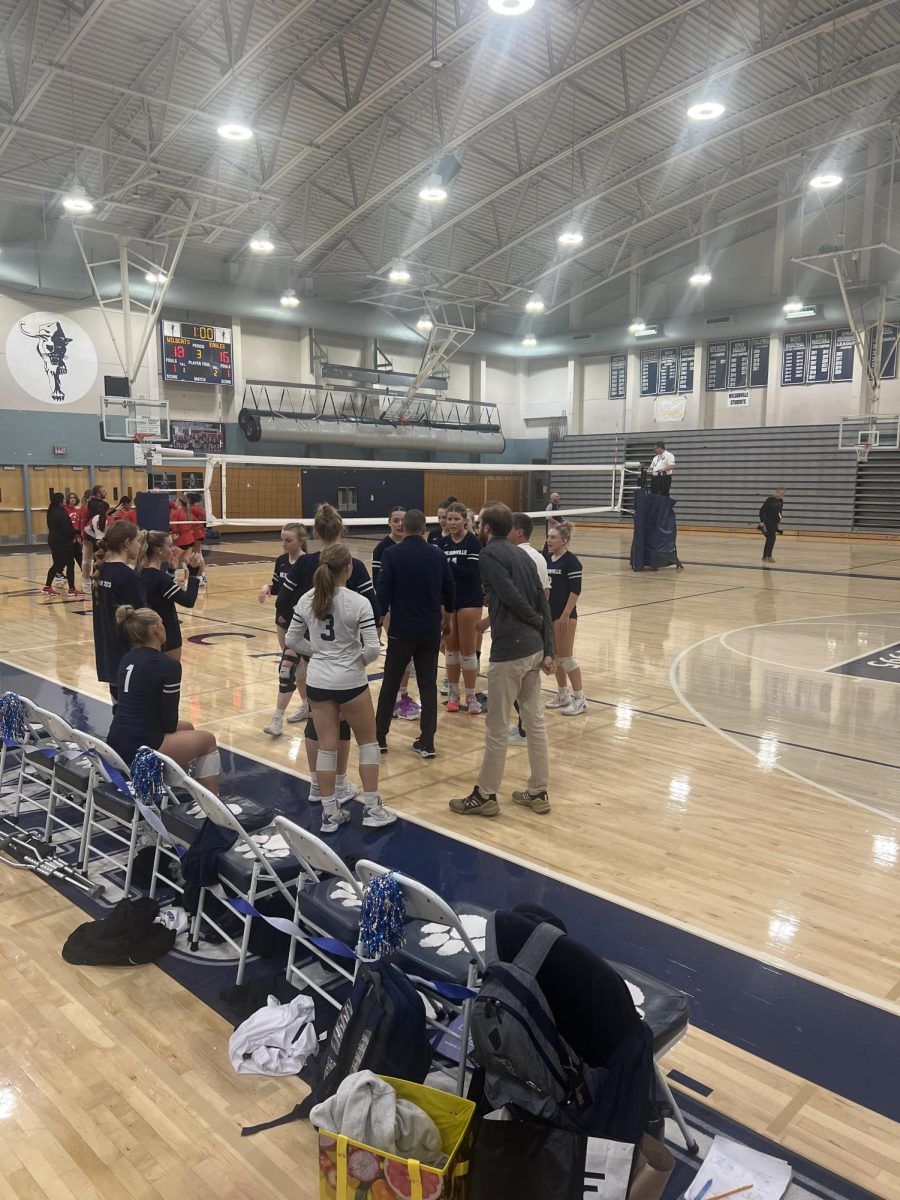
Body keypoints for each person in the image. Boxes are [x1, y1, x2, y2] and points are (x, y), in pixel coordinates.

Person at [449, 502, 554, 819]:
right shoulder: (522, 554)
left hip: (511, 652)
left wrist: (533, 622)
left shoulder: (490, 554)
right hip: (534, 650)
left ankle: (486, 795)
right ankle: (538, 791)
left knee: (497, 727)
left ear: (485, 527)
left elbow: (513, 597)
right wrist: (548, 647)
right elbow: (541, 601)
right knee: (534, 722)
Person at [288, 543, 394, 833]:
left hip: (319, 682)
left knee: (327, 747)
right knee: (368, 743)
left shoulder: (307, 599)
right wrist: (353, 660)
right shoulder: (358, 602)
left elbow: (292, 639)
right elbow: (373, 648)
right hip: (350, 681)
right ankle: (372, 808)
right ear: (348, 568)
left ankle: (330, 814)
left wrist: (319, 653)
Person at [277, 504, 380, 802]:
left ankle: (317, 788)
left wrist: (311, 648)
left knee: (318, 726)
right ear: (342, 530)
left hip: (317, 661)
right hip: (343, 662)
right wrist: (352, 654)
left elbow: (283, 604)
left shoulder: (303, 566)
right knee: (345, 727)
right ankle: (340, 785)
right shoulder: (353, 566)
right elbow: (372, 608)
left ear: (315, 533)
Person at [107, 605, 220, 793]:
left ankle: (172, 790)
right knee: (208, 741)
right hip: (141, 745)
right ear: (155, 629)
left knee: (188, 728)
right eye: (162, 623)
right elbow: (168, 723)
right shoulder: (168, 666)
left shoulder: (127, 658)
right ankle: (213, 807)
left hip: (116, 739)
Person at [375, 509, 455, 759]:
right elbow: (450, 590)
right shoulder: (436, 554)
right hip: (430, 630)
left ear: (405, 527)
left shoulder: (392, 553)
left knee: (390, 684)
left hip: (401, 630)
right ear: (423, 529)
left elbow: (383, 593)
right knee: (428, 685)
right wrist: (448, 621)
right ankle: (428, 742)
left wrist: (378, 624)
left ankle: (379, 739)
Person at [259, 522, 309, 734]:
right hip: (283, 620)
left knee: (287, 667)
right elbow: (279, 588)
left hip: (304, 623)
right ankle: (307, 706)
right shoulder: (281, 562)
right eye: (282, 540)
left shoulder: (308, 563)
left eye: (288, 540)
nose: (284, 544)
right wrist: (266, 588)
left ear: (301, 541)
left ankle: (277, 719)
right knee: (298, 668)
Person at [373, 507, 421, 722]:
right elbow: (379, 584)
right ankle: (397, 698)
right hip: (393, 608)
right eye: (396, 520)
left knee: (407, 655)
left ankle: (400, 696)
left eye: (403, 521)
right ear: (389, 523)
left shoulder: (415, 546)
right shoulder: (383, 548)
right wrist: (382, 614)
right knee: (399, 654)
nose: (400, 524)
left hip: (413, 608)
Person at [507, 513, 550, 744]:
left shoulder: (516, 557)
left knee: (516, 683)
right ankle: (526, 728)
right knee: (527, 684)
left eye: (509, 528)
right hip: (534, 627)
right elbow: (545, 594)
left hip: (518, 629)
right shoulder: (540, 557)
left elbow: (513, 597)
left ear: (519, 531)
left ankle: (526, 729)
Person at [91, 520, 144, 705]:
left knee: (118, 706)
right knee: (132, 711)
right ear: (127, 543)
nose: (139, 545)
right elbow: (141, 620)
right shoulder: (127, 577)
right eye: (137, 541)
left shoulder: (100, 571)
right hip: (128, 654)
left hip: (108, 650)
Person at [440, 501, 484, 714]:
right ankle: (453, 694)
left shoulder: (474, 543)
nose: (452, 522)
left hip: (469, 600)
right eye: (449, 519)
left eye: (456, 519)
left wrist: (448, 567)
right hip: (449, 601)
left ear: (465, 520)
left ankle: (471, 695)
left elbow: (472, 574)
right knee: (451, 650)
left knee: (467, 650)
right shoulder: (443, 543)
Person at [137, 530, 202, 661]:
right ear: (159, 550)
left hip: (144, 633)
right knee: (169, 676)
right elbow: (188, 601)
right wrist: (194, 572)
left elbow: (159, 594)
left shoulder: (139, 573)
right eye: (170, 545)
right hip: (166, 634)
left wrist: (171, 572)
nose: (173, 549)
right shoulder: (159, 578)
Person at [543, 523, 587, 716]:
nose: (549, 540)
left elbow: (575, 590)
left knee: (567, 658)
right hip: (550, 614)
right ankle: (563, 694)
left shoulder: (571, 561)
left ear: (564, 541)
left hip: (565, 617)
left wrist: (566, 614)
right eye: (548, 537)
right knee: (557, 658)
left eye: (553, 537)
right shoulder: (546, 559)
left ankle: (580, 699)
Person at [42, 493, 82, 596]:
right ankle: (72, 588)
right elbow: (66, 529)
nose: (65, 501)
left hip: (53, 540)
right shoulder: (60, 513)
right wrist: (77, 532)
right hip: (62, 542)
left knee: (57, 563)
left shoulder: (52, 511)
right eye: (64, 499)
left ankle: (47, 586)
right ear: (60, 501)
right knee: (70, 563)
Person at [81, 484, 109, 587]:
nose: (106, 493)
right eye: (103, 491)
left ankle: (90, 579)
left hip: (94, 538)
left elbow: (86, 527)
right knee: (102, 559)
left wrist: (93, 535)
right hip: (102, 539)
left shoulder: (90, 508)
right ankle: (100, 580)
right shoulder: (106, 517)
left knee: (93, 559)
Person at [758, 488, 785, 564]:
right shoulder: (770, 500)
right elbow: (762, 510)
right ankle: (768, 556)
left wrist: (779, 520)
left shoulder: (781, 501)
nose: (783, 495)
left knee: (770, 538)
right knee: (772, 538)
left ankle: (765, 556)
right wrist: (762, 521)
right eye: (781, 493)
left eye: (783, 494)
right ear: (777, 492)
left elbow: (780, 512)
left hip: (775, 522)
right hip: (768, 521)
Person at [187, 493, 208, 587]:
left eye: (185, 498)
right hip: (197, 533)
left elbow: (200, 517)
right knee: (198, 555)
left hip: (196, 534)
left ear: (189, 499)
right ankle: (202, 577)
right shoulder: (195, 507)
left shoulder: (192, 508)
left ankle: (199, 578)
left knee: (195, 556)